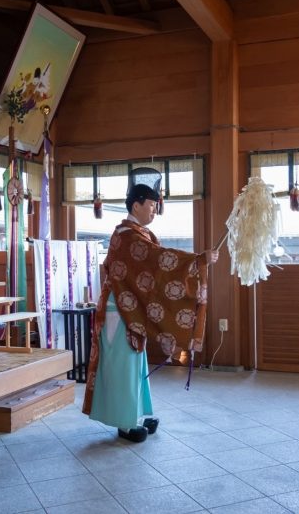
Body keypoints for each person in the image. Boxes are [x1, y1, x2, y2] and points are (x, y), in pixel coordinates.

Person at [81, 167, 219, 443]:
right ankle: (124, 422)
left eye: (156, 205)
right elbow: (158, 259)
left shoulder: (137, 234)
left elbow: (155, 265)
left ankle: (137, 414)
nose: (155, 210)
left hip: (127, 309)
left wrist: (197, 261)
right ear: (136, 205)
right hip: (118, 310)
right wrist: (197, 260)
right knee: (124, 364)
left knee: (134, 363)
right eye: (152, 205)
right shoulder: (127, 236)